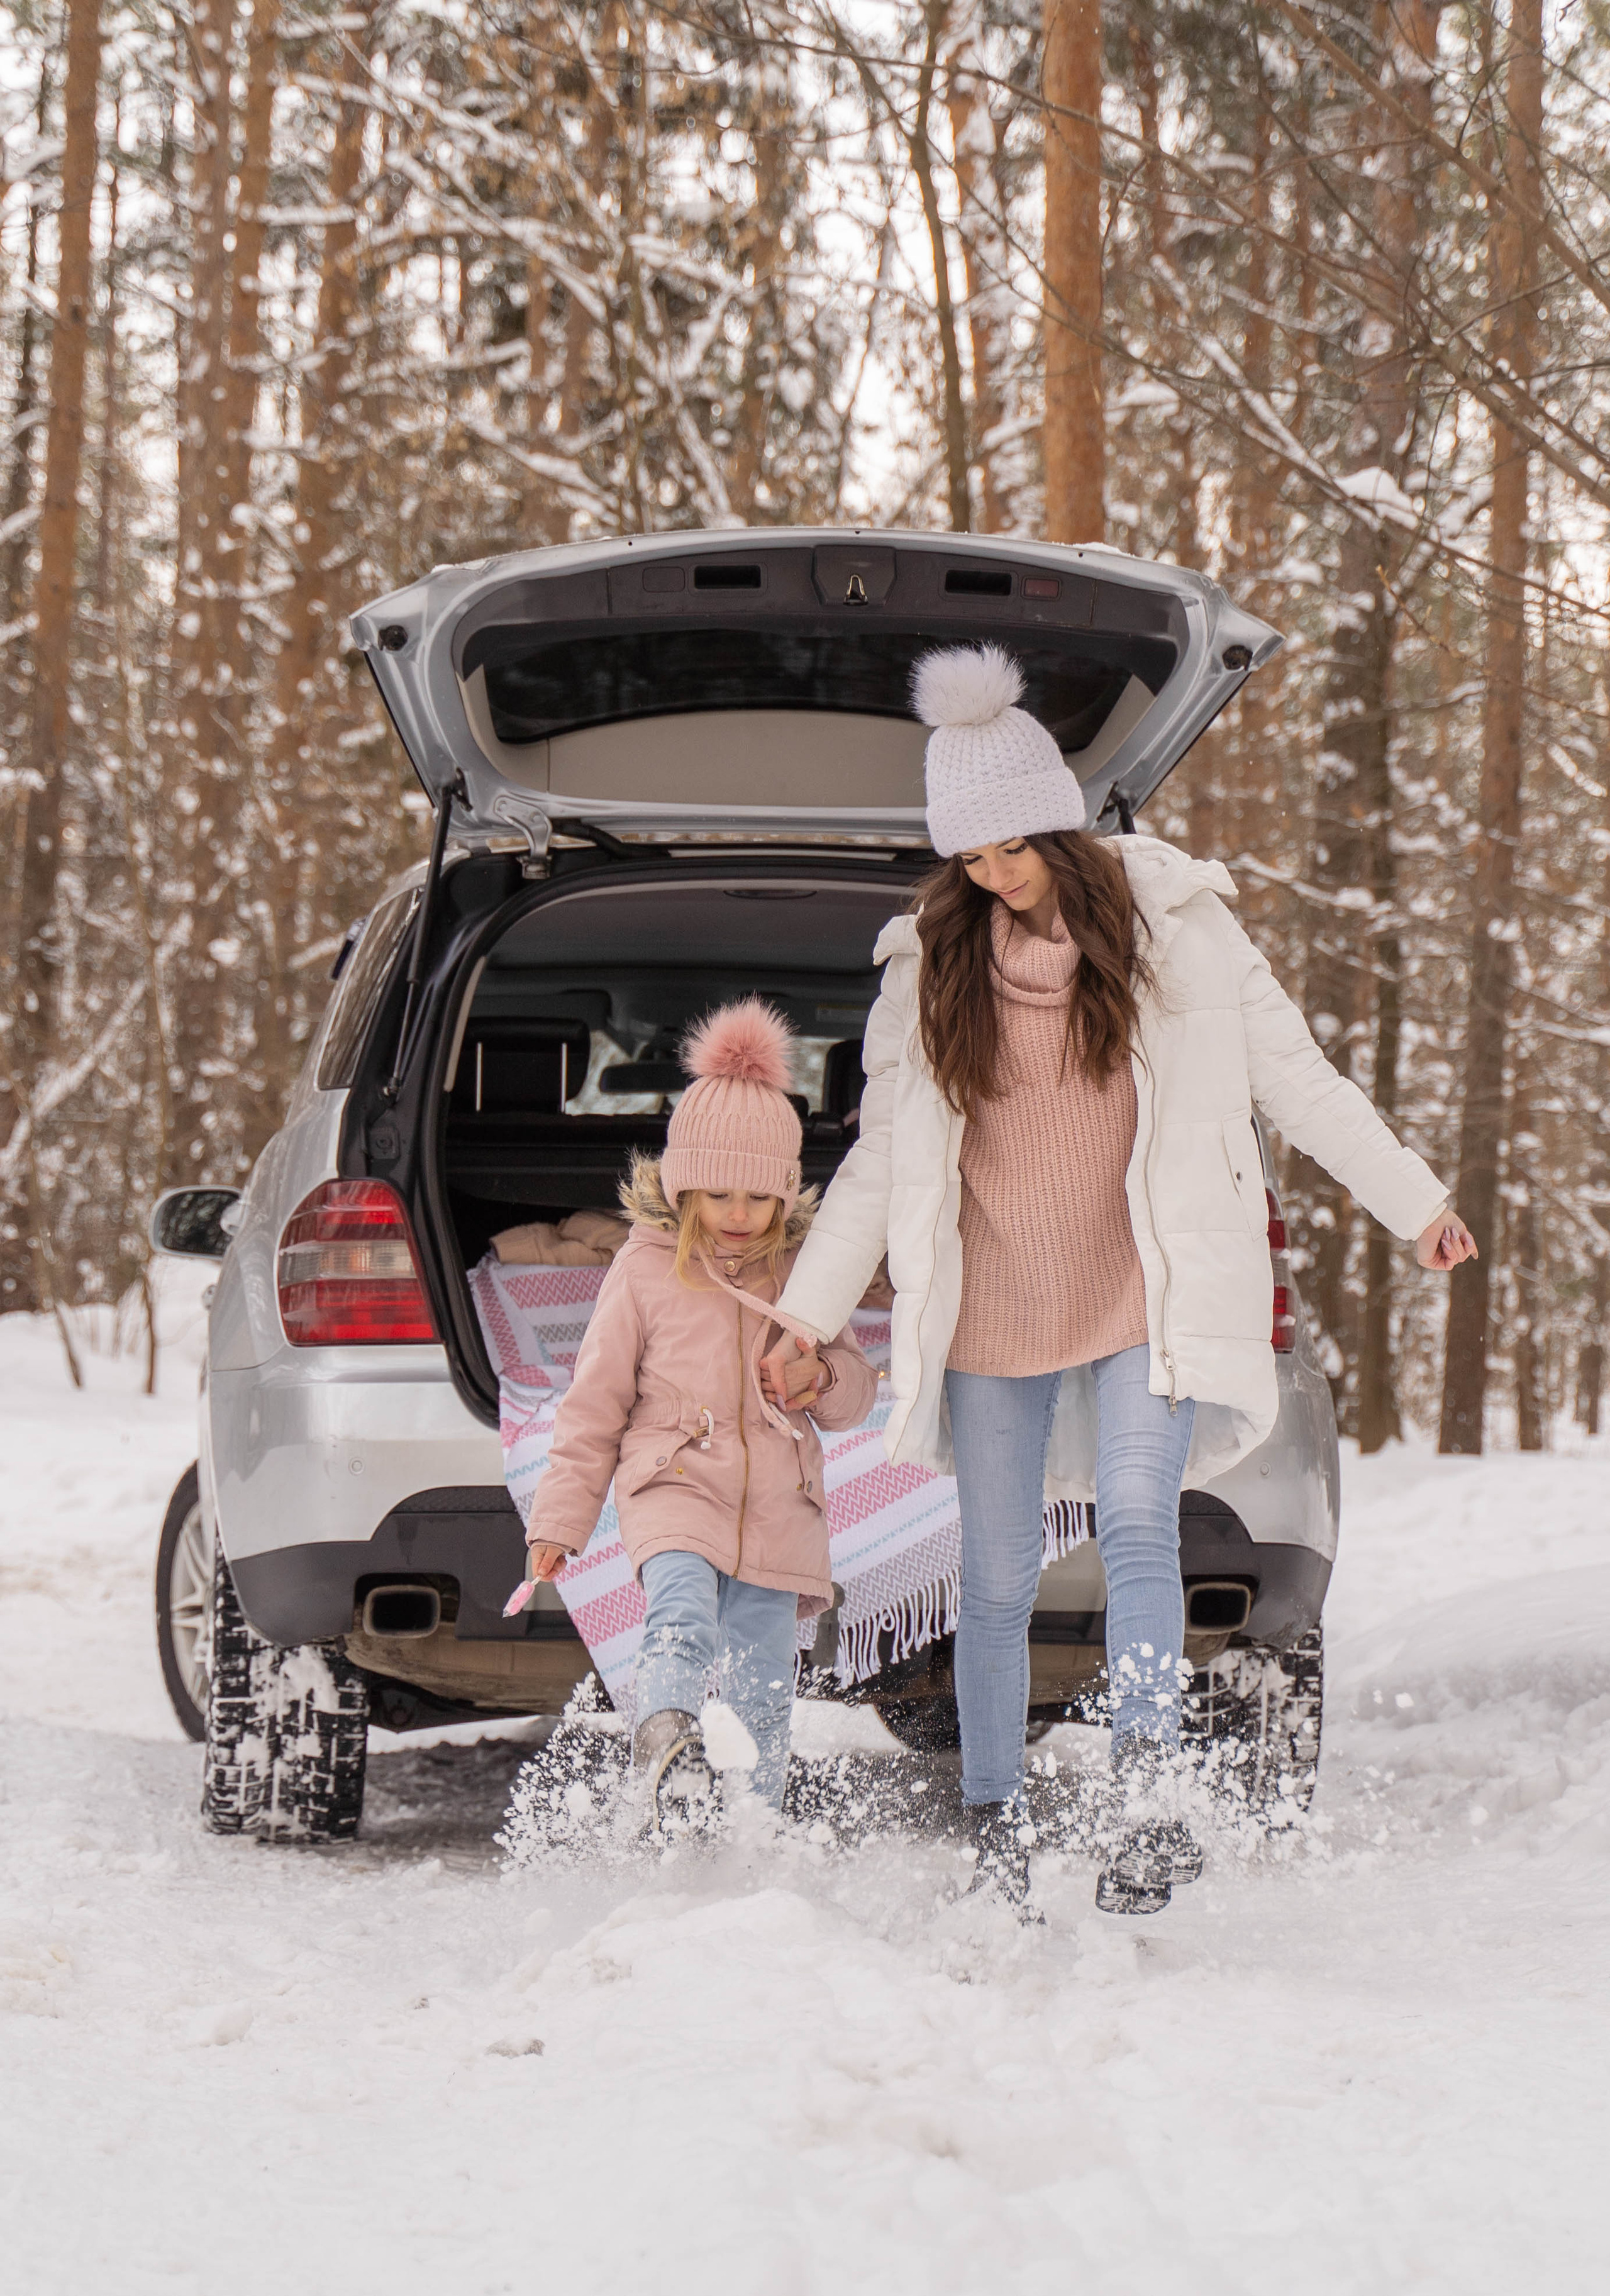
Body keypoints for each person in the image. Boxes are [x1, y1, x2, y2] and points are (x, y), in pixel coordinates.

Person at [762, 643, 1476, 1916]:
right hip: (990, 1308)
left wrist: (1412, 1199)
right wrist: (805, 1316)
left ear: (1059, 822)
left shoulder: (1180, 934)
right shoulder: (926, 968)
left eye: (1010, 849)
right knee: (990, 1578)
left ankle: (1148, 1798)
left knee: (1142, 1525)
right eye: (968, 859)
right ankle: (994, 1814)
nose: (991, 877)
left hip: (1137, 1293)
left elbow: (1295, 1080)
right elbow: (877, 1167)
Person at [517, 999, 877, 1831]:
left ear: (786, 1196)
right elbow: (594, 1403)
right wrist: (561, 1518)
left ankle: (754, 1821)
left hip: (780, 1506)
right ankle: (667, 1741)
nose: (740, 1214)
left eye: (760, 1196)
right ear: (683, 1189)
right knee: (678, 1614)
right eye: (718, 1193)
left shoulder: (804, 1274)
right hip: (674, 1482)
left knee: (763, 1675)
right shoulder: (645, 1270)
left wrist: (818, 1376)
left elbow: (858, 1391)